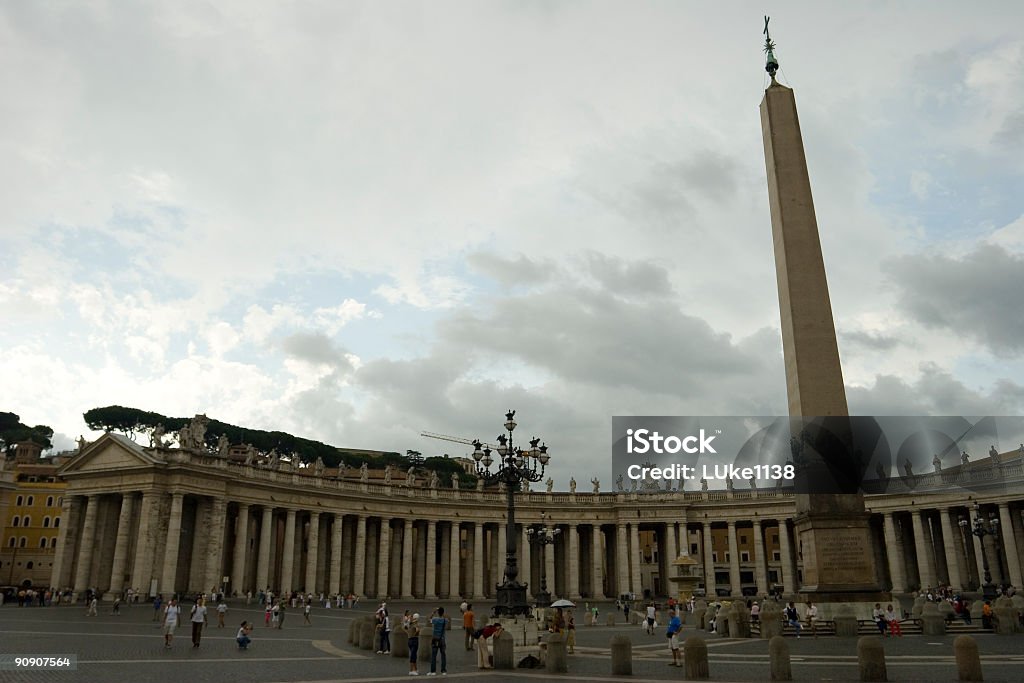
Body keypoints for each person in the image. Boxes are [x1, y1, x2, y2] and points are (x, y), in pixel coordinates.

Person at [428, 607, 447, 676]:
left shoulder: (435, 619)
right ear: (443, 612)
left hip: (435, 638)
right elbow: (445, 620)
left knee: (434, 655)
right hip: (442, 639)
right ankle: (443, 671)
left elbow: (429, 619)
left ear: (438, 613)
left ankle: (433, 671)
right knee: (443, 655)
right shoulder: (445, 620)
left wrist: (433, 612)